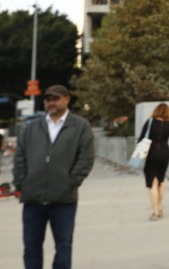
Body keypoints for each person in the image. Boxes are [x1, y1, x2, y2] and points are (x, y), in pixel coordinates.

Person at [13, 85, 94, 269]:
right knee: (31, 247)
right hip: (33, 198)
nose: (51, 103)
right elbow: (20, 156)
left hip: (64, 198)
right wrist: (21, 182)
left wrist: (72, 181)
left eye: (56, 99)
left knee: (63, 246)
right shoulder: (32, 127)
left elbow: (86, 158)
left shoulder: (80, 126)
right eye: (48, 99)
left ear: (67, 99)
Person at [138, 103, 169, 220]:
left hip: (151, 153)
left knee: (152, 182)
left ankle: (156, 211)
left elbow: (141, 138)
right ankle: (160, 206)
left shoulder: (150, 122)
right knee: (161, 180)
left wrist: (141, 154)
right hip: (165, 153)